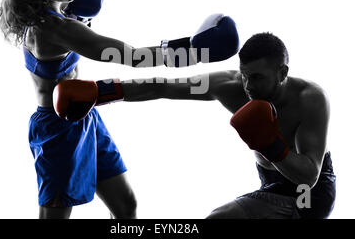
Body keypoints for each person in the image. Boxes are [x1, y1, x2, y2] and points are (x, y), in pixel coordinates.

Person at [0, 0, 239, 219]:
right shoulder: (56, 29)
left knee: (126, 206)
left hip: (85, 115)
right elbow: (132, 57)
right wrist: (195, 51)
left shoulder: (47, 16)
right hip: (57, 130)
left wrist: (77, 16)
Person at [56, 32, 336, 218]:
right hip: (271, 185)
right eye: (245, 76)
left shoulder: (310, 100)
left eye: (258, 78)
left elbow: (308, 177)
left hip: (308, 196)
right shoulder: (229, 86)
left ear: (283, 72)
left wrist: (269, 144)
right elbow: (164, 86)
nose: (249, 86)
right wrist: (101, 92)